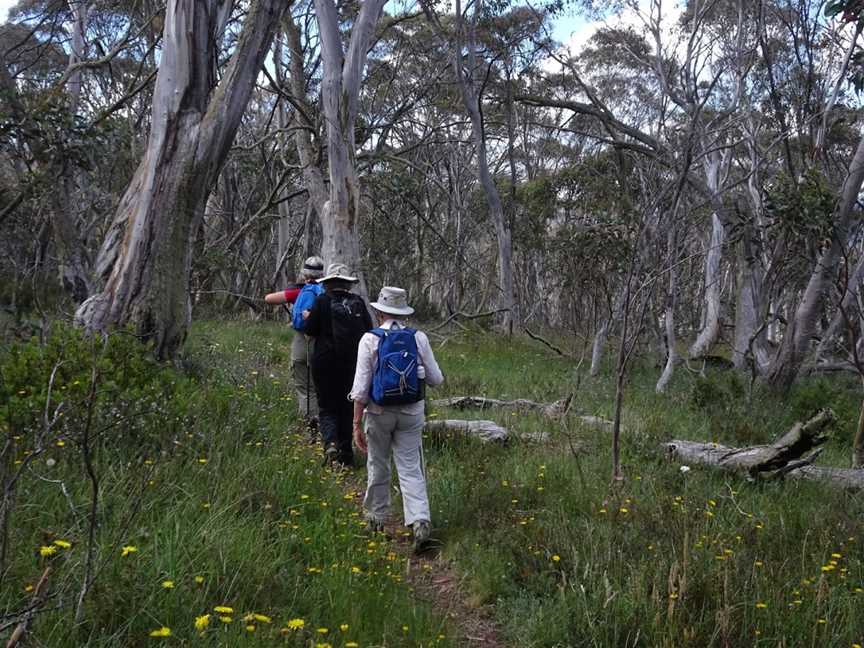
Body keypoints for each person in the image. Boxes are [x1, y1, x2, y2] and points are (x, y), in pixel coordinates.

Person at [350, 286, 444, 553]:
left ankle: (376, 519)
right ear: (403, 312)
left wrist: (356, 423)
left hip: (378, 412)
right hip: (412, 412)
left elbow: (360, 388)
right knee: (411, 467)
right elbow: (437, 380)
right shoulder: (418, 338)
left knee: (378, 463)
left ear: (379, 312)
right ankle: (420, 521)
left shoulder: (369, 339)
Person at [303, 263, 372, 467]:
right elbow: (369, 331)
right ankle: (346, 454)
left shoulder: (322, 301)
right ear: (348, 285)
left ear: (328, 284)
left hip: (324, 361)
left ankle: (330, 443)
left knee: (326, 405)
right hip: (353, 363)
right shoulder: (358, 302)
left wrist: (309, 317)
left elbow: (309, 331)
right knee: (347, 405)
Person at [264, 256, 325, 431]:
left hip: (304, 345)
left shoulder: (300, 292)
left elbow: (268, 298)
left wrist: (295, 291)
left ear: (304, 273)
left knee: (306, 388)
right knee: (320, 387)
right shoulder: (327, 292)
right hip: (326, 346)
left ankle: (310, 426)